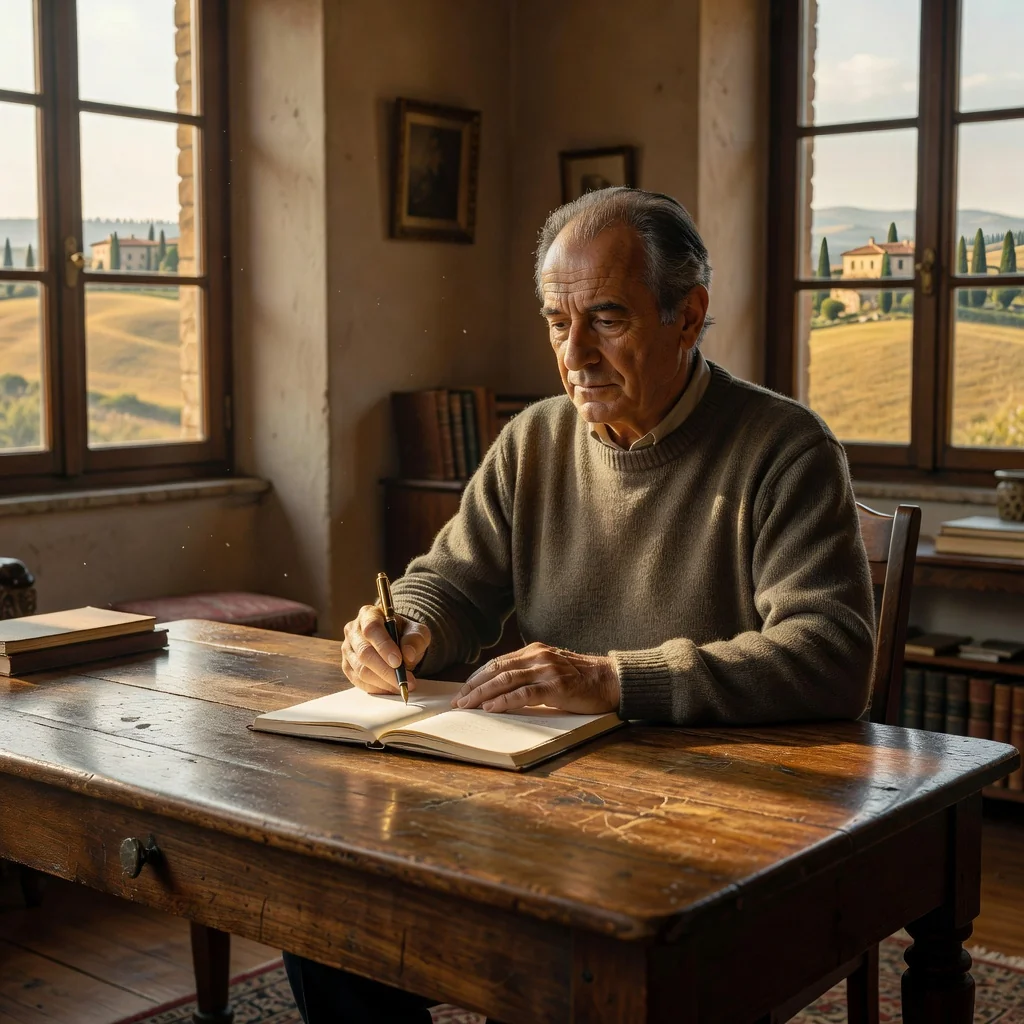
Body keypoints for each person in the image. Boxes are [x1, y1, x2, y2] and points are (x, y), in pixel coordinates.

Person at [283, 187, 875, 1023]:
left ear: (689, 314)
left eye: (607, 319)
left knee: (577, 970)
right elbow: (450, 579)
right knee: (324, 908)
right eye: (558, 325)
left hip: (707, 824)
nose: (576, 356)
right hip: (540, 804)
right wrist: (407, 626)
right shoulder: (534, 440)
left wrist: (611, 679)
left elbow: (831, 654)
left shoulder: (785, 448)